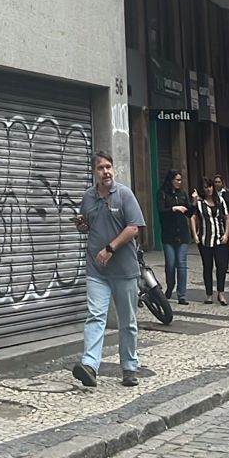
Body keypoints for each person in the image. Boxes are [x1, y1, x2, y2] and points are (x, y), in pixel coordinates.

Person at [72, 150, 146, 389]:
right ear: (94, 172)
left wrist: (110, 248)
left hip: (124, 270)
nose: (105, 172)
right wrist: (82, 226)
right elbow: (89, 224)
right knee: (95, 315)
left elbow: (133, 228)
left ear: (113, 169)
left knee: (128, 321)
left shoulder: (124, 195)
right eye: (100, 168)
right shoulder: (88, 197)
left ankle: (129, 367)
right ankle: (90, 366)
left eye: (108, 167)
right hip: (97, 270)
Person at [192, 177, 229, 304]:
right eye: (205, 187)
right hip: (205, 239)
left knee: (221, 266)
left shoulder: (220, 200)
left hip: (220, 238)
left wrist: (226, 234)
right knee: (207, 267)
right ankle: (209, 294)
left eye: (210, 186)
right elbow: (192, 217)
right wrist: (195, 234)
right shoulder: (199, 203)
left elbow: (227, 217)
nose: (208, 189)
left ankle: (221, 292)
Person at [158, 167, 193, 304]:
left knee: (182, 264)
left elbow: (189, 213)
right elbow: (161, 211)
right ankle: (170, 286)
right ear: (171, 180)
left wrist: (194, 203)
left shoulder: (182, 194)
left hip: (182, 233)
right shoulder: (162, 193)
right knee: (170, 264)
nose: (179, 182)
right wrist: (174, 208)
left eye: (180, 180)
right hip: (168, 234)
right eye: (177, 180)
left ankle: (182, 295)